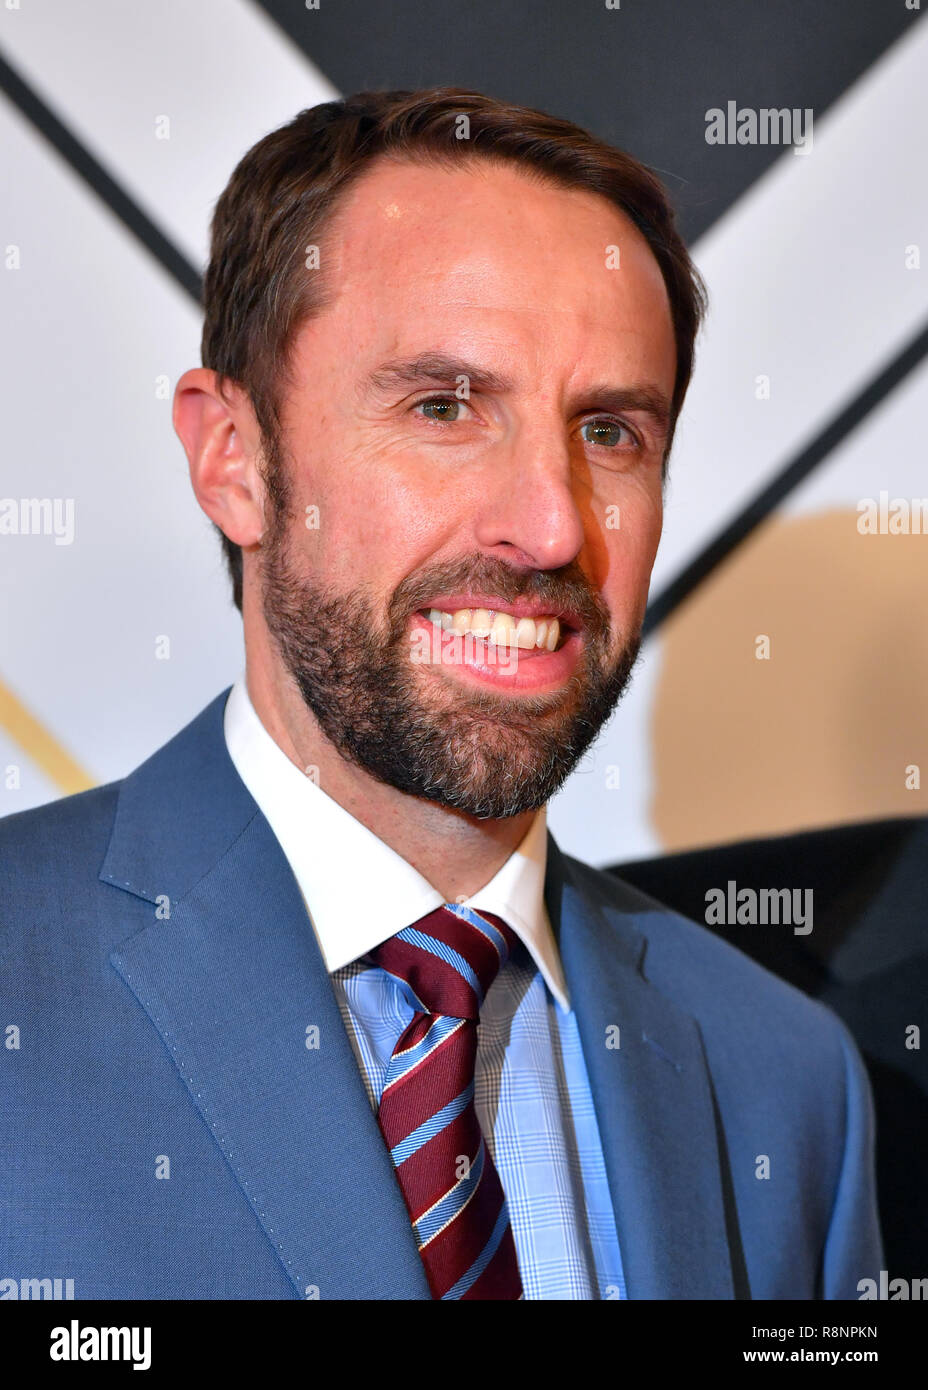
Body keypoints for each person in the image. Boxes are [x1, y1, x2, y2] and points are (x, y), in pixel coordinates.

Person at [0, 87, 882, 1300]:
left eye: (612, 431)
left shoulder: (780, 1079)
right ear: (233, 461)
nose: (551, 523)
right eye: (443, 406)